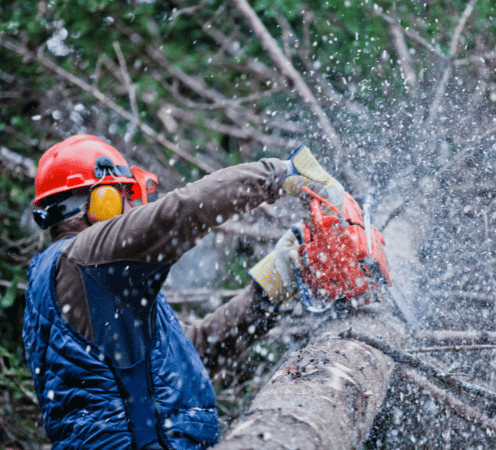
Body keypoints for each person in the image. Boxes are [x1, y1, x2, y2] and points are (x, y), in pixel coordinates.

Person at [23, 134, 346, 450]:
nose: (129, 207)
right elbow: (181, 211)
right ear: (101, 201)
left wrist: (267, 291)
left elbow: (183, 360)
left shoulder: (84, 278)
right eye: (122, 195)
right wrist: (282, 174)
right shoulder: (87, 258)